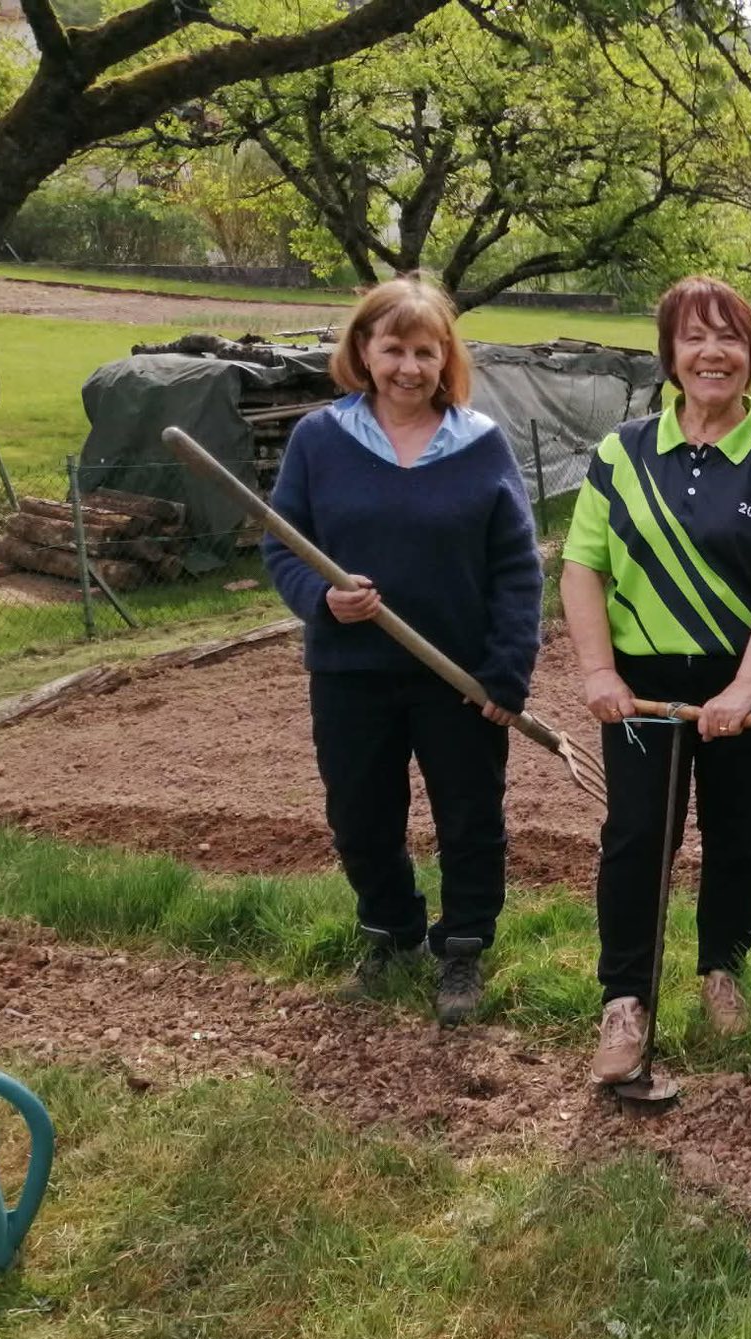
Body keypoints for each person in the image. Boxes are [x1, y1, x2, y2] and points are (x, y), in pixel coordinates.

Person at [264, 274, 542, 1025]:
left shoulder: (479, 446)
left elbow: (518, 569)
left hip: (457, 678)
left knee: (470, 818)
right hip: (351, 674)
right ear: (363, 351)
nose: (409, 368)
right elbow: (283, 546)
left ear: (445, 357)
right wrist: (323, 600)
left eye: (425, 351)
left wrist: (505, 673)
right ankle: (391, 934)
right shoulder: (321, 441)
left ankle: (463, 951)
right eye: (393, 350)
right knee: (361, 814)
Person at [559, 277, 751, 1087]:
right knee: (638, 836)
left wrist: (746, 688)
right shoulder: (621, 453)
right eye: (696, 337)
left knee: (738, 834)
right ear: (670, 353)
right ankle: (624, 1000)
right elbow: (581, 565)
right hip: (640, 689)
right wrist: (598, 670)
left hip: (746, 687)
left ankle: (722, 973)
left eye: (731, 338)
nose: (714, 353)